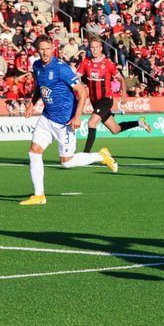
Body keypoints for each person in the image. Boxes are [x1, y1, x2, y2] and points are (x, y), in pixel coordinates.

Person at [20, 35, 118, 206]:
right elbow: (40, 87)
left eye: (48, 48)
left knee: (67, 162)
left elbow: (82, 92)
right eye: (42, 49)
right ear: (37, 50)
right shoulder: (36, 66)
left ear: (53, 49)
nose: (45, 52)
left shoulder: (61, 68)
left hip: (65, 120)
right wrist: (32, 104)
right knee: (34, 152)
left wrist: (77, 116)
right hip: (47, 117)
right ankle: (39, 195)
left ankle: (100, 156)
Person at [76, 37, 152, 153]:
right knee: (115, 129)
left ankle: (86, 154)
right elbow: (76, 78)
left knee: (91, 123)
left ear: (101, 48)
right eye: (92, 47)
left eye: (97, 47)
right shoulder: (86, 62)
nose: (95, 50)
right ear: (89, 48)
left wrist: (124, 94)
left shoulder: (108, 64)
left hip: (106, 99)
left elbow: (121, 79)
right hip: (94, 101)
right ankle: (139, 122)